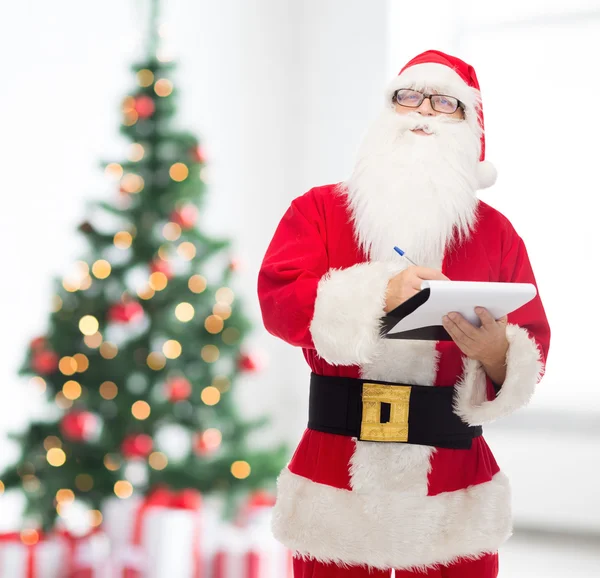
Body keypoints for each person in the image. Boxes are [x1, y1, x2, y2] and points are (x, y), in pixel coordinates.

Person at [257, 50, 551, 578]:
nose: (423, 113)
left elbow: (532, 342)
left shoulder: (497, 233)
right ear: (385, 111)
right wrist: (379, 294)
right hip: (336, 484)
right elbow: (279, 302)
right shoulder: (319, 210)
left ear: (472, 129)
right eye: (408, 96)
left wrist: (496, 355)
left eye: (446, 103)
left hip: (453, 491)